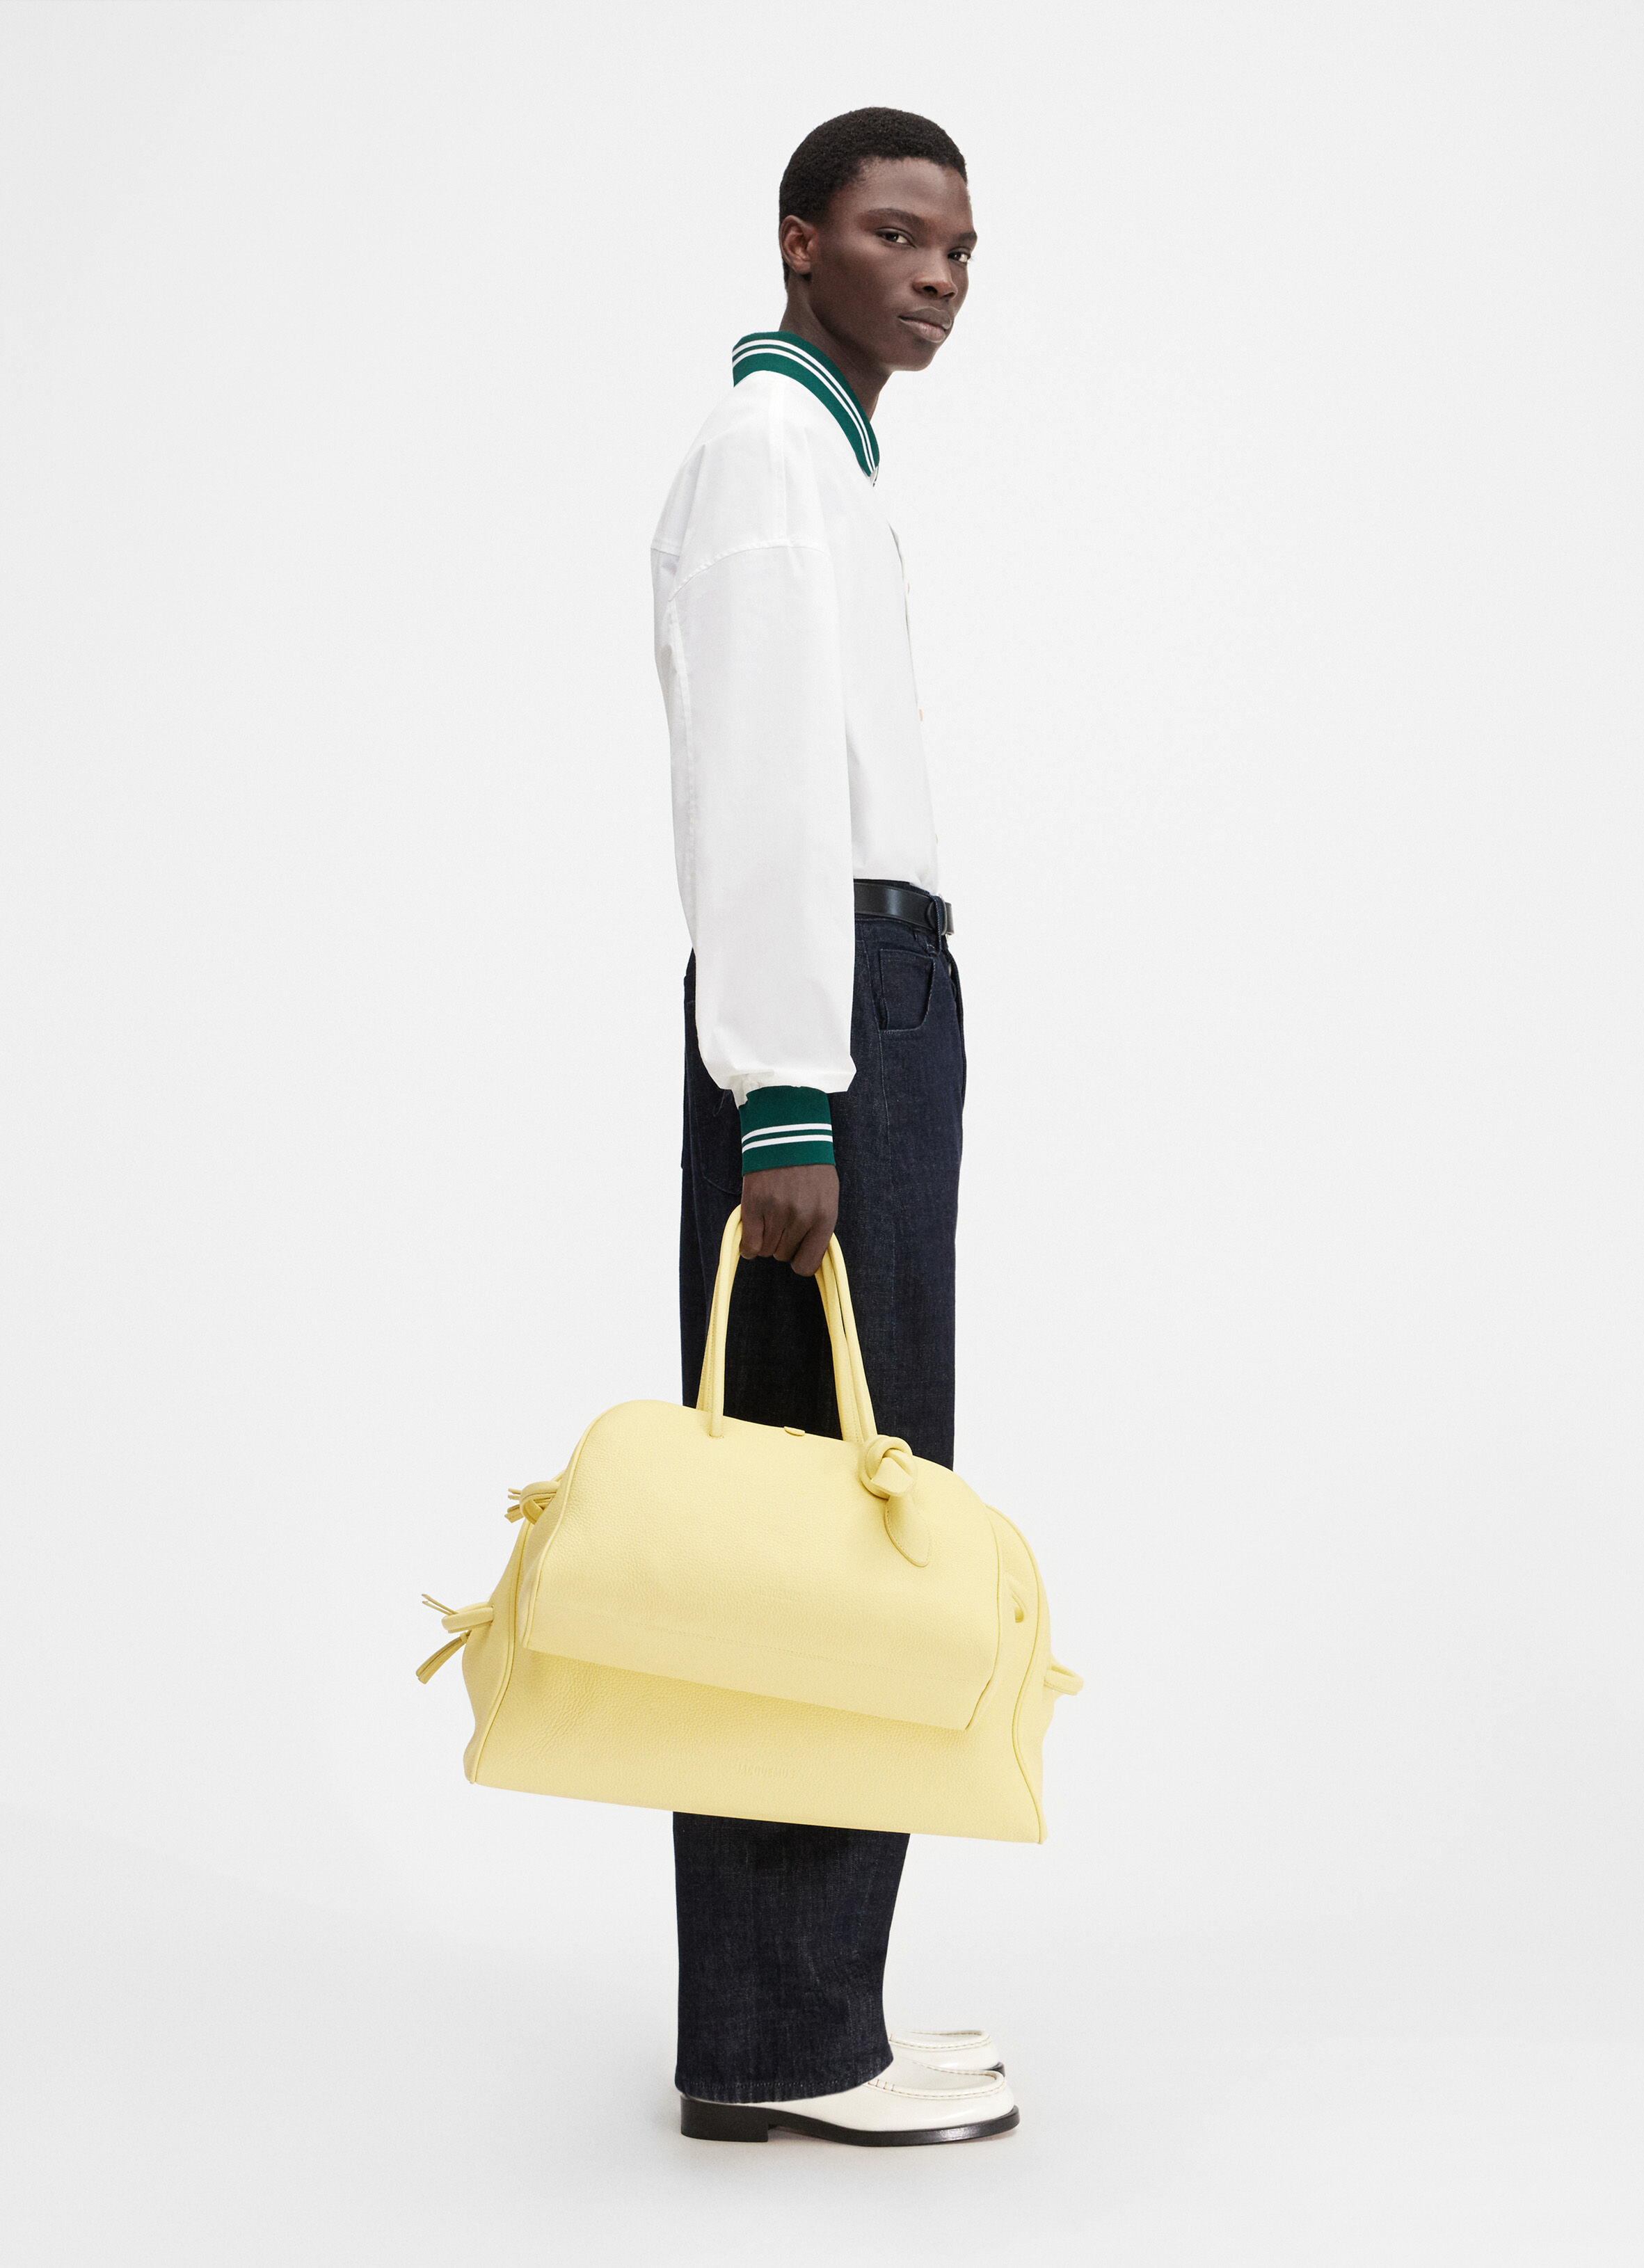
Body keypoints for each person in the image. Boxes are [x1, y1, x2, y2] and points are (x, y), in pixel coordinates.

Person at [653, 108, 1015, 2147]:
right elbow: (764, 782)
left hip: (867, 995)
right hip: (828, 1017)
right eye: (895, 235)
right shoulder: (772, 455)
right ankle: (789, 2039)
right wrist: (788, 1087)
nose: (936, 276)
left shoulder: (826, 457)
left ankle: (797, 2016)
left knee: (852, 1506)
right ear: (802, 243)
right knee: (820, 1520)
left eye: (959, 249)